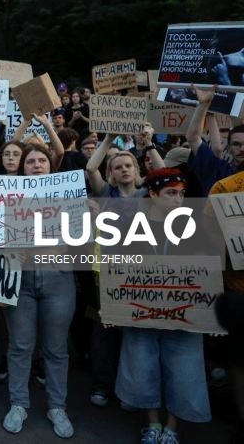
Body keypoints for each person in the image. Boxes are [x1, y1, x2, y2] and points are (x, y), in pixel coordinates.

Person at [115, 168, 212, 444]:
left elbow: (207, 269)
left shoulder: (194, 226)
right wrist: (114, 307)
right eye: (171, 193)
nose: (178, 199)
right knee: (142, 367)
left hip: (185, 317)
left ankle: (172, 427)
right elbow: (117, 267)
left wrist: (211, 313)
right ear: (153, 194)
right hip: (141, 314)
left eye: (181, 193)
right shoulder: (130, 226)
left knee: (184, 371)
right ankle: (153, 423)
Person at [0, 143, 77, 439]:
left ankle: (57, 407)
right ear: (23, 168)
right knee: (20, 346)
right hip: (21, 280)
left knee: (56, 349)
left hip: (58, 278)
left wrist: (91, 215)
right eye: (30, 161)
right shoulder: (7, 198)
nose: (36, 165)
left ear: (50, 166)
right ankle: (18, 404)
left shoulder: (68, 196)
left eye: (42, 160)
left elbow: (83, 241)